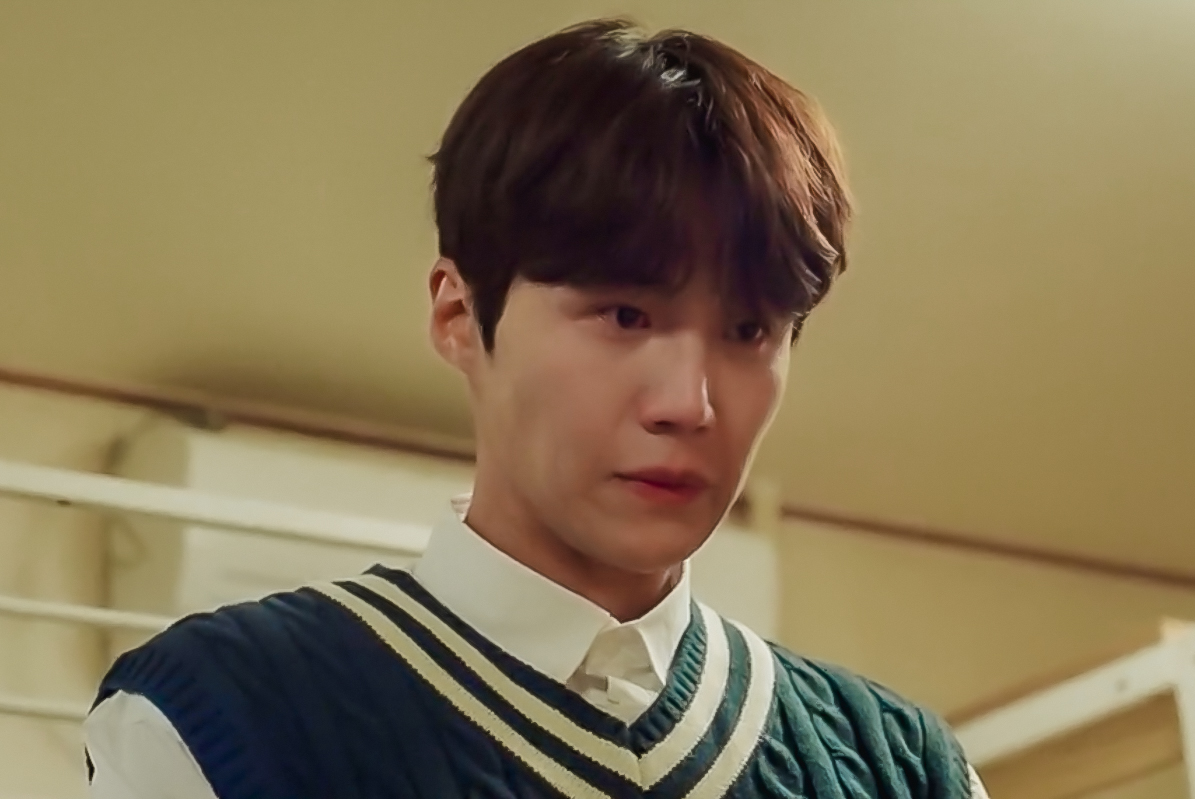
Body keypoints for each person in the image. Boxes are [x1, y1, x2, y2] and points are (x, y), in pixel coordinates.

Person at [83, 18, 989, 799]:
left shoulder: (899, 766)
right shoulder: (224, 713)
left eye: (749, 330)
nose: (689, 403)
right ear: (458, 316)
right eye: (624, 315)